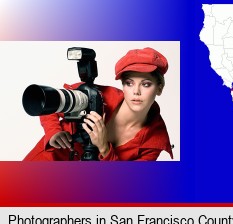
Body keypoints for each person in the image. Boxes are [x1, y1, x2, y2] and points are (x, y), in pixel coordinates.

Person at [23, 47, 173, 161]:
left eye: (146, 84)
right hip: (48, 161)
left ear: (159, 88)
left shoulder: (154, 141)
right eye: (129, 83)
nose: (136, 91)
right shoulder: (96, 94)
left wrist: (104, 148)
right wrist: (53, 131)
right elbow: (51, 103)